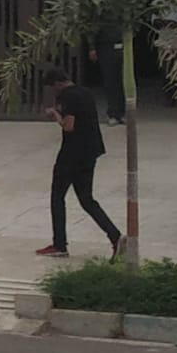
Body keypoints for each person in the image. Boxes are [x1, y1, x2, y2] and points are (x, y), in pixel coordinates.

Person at [34, 69, 123, 259]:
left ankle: (59, 245)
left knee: (57, 196)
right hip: (90, 151)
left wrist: (55, 114)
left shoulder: (68, 97)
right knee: (86, 199)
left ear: (57, 84)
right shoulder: (85, 92)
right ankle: (115, 236)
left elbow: (69, 126)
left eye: (52, 87)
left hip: (72, 153)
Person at [89, 26, 126, 125]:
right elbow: (91, 29)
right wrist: (92, 47)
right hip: (105, 45)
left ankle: (121, 113)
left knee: (121, 81)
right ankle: (113, 113)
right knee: (110, 81)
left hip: (121, 44)